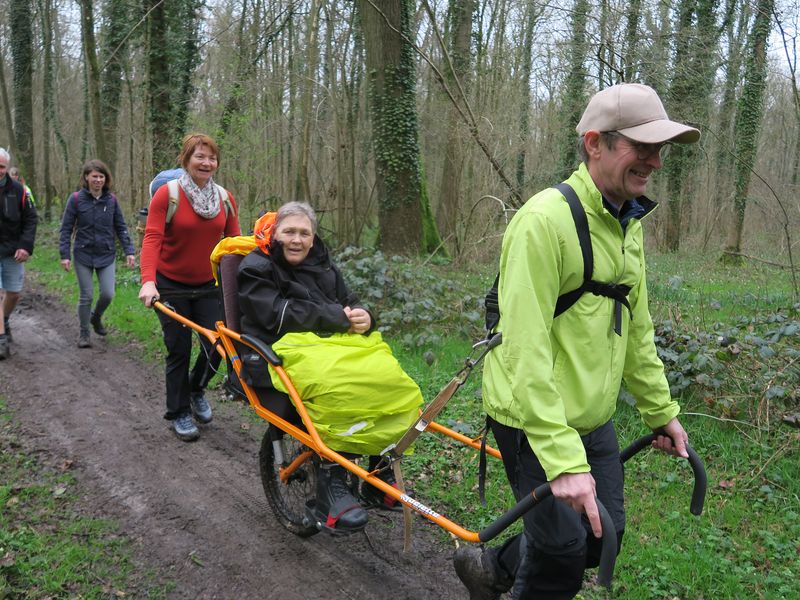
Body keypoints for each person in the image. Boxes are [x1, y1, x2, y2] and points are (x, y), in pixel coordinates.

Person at [453, 83, 700, 599]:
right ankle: (512, 570)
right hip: (531, 417)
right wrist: (564, 462)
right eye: (642, 147)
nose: (655, 161)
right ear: (596, 143)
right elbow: (523, 348)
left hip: (593, 416)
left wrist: (661, 411)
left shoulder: (626, 220)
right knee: (563, 551)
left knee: (601, 535)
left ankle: (491, 568)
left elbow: (637, 331)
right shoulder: (544, 222)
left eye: (660, 150)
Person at [237, 202, 421, 533]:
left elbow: (349, 300)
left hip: (330, 346)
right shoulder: (256, 267)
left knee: (392, 380)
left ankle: (378, 473)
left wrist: (364, 315)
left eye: (304, 233)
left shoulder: (324, 266)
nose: (296, 240)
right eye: (289, 231)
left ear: (313, 237)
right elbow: (275, 315)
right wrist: (336, 317)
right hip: (278, 348)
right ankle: (330, 482)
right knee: (338, 388)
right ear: (274, 233)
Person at [138, 133, 240, 441]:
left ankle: (196, 389)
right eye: (199, 156)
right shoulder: (167, 195)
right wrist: (148, 281)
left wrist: (241, 286)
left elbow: (233, 247)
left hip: (210, 285)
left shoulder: (224, 198)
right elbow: (152, 238)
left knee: (218, 346)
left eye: (211, 158)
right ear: (186, 160)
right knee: (179, 348)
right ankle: (179, 411)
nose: (206, 162)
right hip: (170, 286)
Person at [59, 160, 136, 347]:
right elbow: (66, 228)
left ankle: (96, 317)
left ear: (106, 179)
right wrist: (65, 255)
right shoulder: (76, 199)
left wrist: (129, 251)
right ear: (86, 177)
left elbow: (121, 226)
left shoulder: (112, 201)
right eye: (94, 176)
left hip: (106, 254)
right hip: (83, 254)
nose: (98, 180)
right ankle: (84, 333)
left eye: (101, 177)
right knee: (86, 295)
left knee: (108, 293)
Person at [0, 148, 38, 359]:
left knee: (13, 294)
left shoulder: (19, 190)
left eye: (2, 167)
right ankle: (1, 340)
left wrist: (25, 246)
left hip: (13, 249)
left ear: (7, 168)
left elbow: (31, 219)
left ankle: (4, 319)